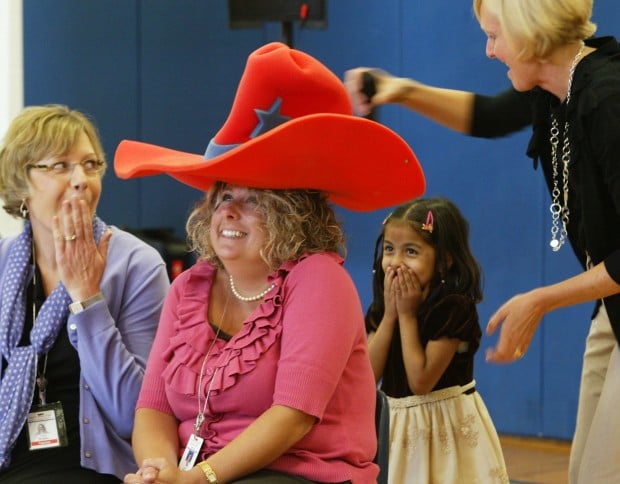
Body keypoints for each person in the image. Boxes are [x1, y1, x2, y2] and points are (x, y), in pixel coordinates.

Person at [114, 41, 426, 484]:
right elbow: (153, 407)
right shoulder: (189, 287)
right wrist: (158, 469)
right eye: (224, 195)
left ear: (293, 213)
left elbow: (293, 417)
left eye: (254, 199)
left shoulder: (318, 279)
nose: (228, 211)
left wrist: (198, 478)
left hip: (301, 475)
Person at [345, 0, 620, 482]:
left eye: (495, 36)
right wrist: (400, 90)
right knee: (586, 473)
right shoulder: (555, 85)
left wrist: (539, 301)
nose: (488, 51)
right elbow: (489, 116)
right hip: (612, 305)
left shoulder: (607, 97)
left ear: (532, 35)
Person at [0, 104, 171, 482]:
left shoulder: (137, 265)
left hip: (89, 469)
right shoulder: (4, 264)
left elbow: (136, 415)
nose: (81, 179)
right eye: (60, 166)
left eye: (91, 165)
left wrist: (87, 297)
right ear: (20, 185)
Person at [365, 197, 508, 483]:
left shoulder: (453, 307)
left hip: (443, 429)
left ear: (444, 260)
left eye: (411, 252)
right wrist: (391, 315)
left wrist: (406, 317)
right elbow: (367, 376)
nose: (395, 263)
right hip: (396, 426)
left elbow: (421, 382)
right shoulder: (385, 306)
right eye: (390, 250)